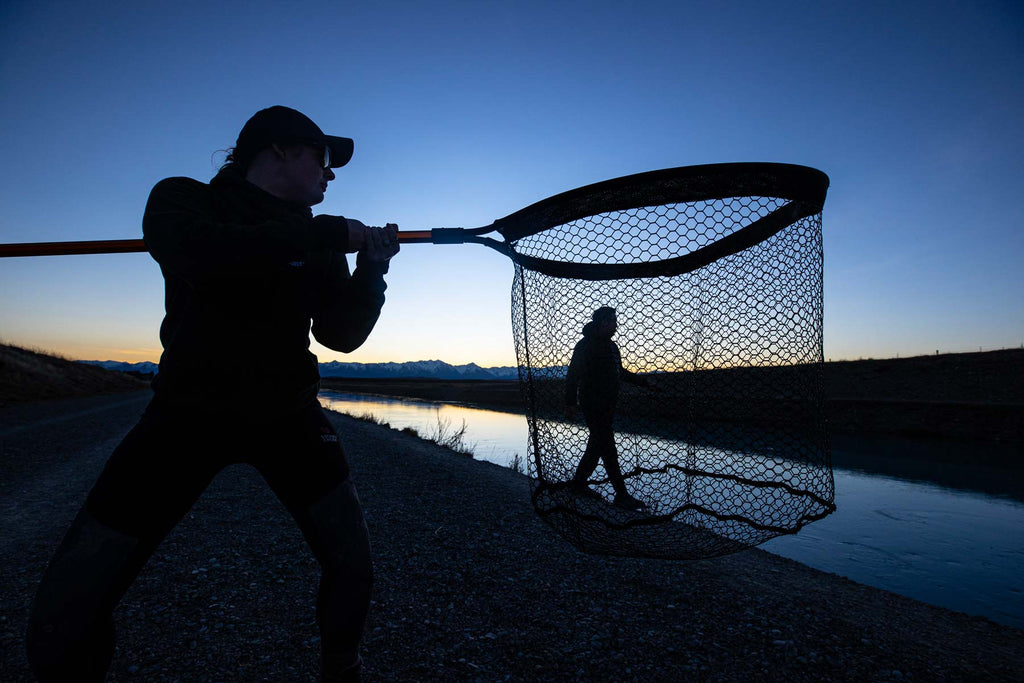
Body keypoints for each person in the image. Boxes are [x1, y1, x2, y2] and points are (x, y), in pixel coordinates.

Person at [25, 106, 398, 682]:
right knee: (66, 608)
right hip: (186, 416)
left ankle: (342, 670)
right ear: (277, 150)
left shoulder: (317, 239)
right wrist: (326, 232)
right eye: (322, 159)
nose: (330, 175)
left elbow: (339, 335)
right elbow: (205, 253)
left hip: (289, 416)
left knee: (354, 568)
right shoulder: (184, 200)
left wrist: (370, 272)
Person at [564, 306, 648, 511]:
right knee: (608, 447)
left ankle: (578, 484)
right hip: (592, 404)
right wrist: (570, 403)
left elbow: (620, 372)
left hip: (608, 404)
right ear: (602, 323)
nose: (616, 324)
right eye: (612, 321)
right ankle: (621, 495)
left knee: (596, 446)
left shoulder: (612, 347)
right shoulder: (585, 345)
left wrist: (645, 383)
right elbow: (573, 374)